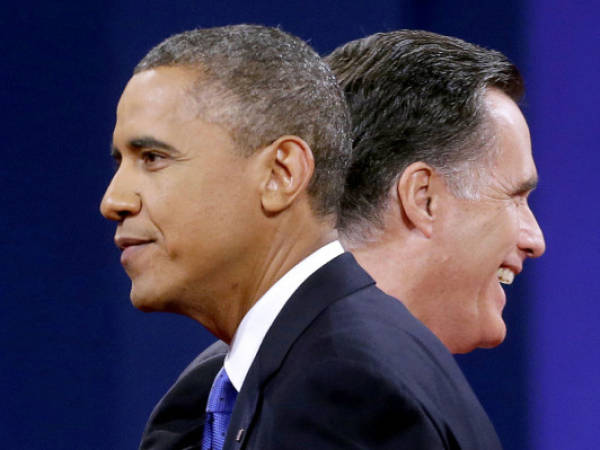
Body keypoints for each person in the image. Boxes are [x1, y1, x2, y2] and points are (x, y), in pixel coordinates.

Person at [101, 25, 501, 449]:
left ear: (281, 174)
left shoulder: (343, 385)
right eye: (120, 161)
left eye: (153, 158)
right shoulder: (215, 388)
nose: (114, 200)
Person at [326, 30, 546, 354]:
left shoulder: (263, 372)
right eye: (514, 197)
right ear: (423, 198)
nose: (535, 241)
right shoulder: (360, 391)